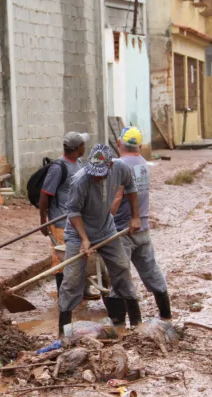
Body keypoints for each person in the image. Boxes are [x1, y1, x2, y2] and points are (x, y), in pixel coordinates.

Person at [58, 144, 142, 336]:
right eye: (93, 173)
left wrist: (135, 216)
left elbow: (131, 187)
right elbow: (73, 211)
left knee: (122, 268)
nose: (96, 177)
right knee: (72, 280)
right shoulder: (79, 180)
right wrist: (84, 239)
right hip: (77, 234)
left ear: (110, 166)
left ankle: (135, 322)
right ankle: (63, 332)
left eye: (100, 173)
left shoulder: (120, 167)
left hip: (106, 229)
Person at [104, 127, 171, 325]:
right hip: (142, 227)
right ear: (140, 146)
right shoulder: (143, 164)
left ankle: (124, 322)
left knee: (119, 277)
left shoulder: (118, 165)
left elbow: (116, 197)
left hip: (122, 231)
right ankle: (166, 315)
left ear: (118, 143)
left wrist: (103, 220)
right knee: (151, 271)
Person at [38, 132, 98, 299]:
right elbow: (44, 195)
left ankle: (83, 291)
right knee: (62, 260)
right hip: (61, 221)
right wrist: (43, 222)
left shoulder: (78, 163)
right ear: (77, 148)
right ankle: (63, 295)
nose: (85, 147)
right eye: (83, 145)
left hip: (77, 220)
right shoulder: (58, 168)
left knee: (81, 255)